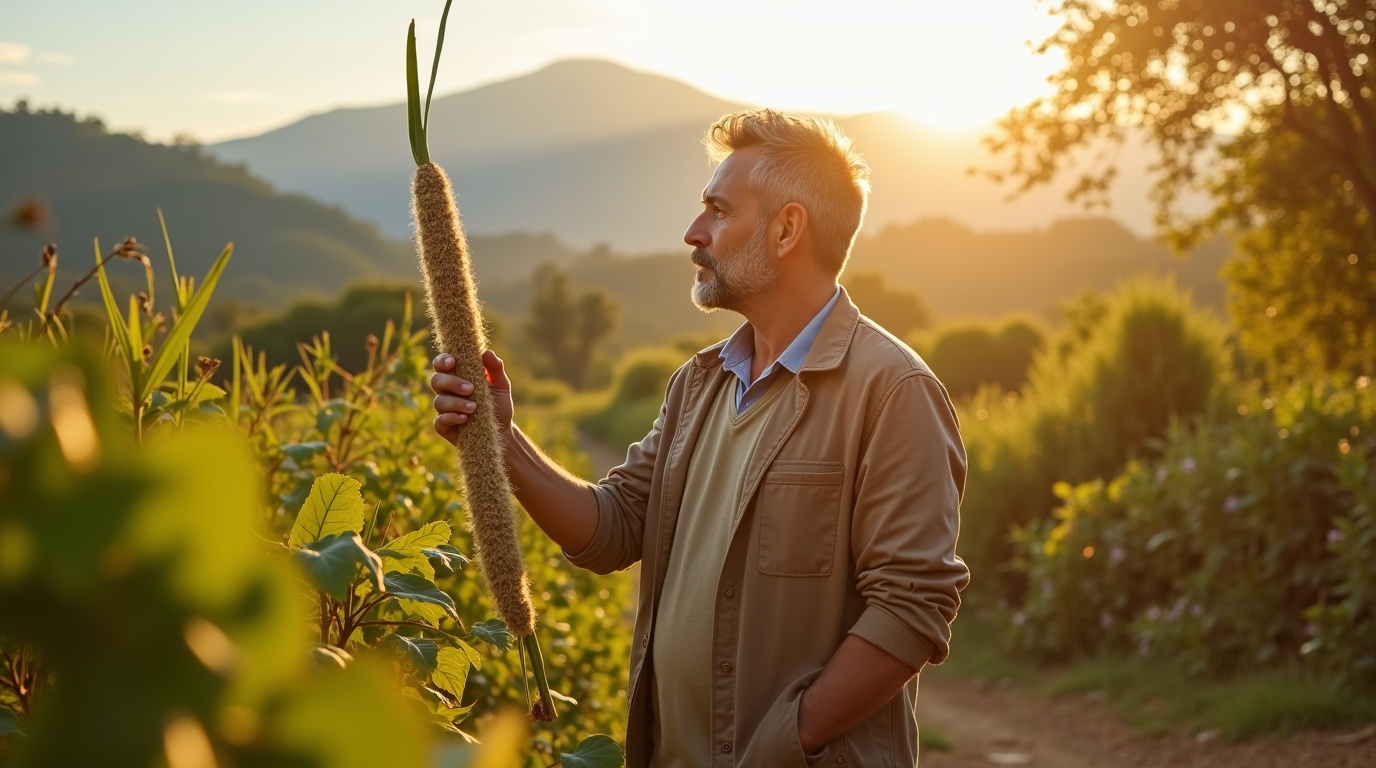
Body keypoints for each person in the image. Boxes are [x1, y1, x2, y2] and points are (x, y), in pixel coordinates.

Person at [431, 109, 969, 767]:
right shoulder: (698, 385)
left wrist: (786, 744)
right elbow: (613, 528)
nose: (693, 233)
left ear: (787, 229)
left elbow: (912, 610)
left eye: (717, 210)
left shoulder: (892, 391)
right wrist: (499, 440)